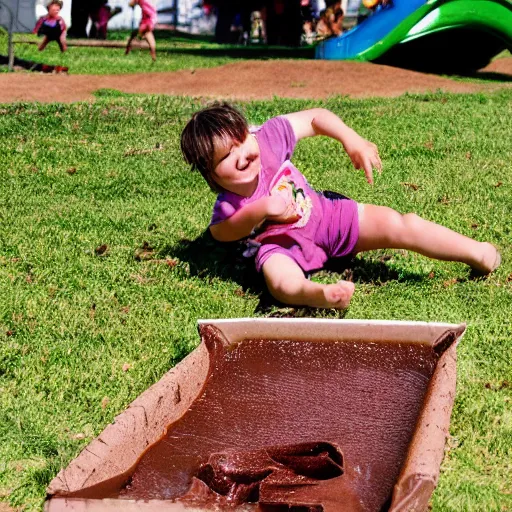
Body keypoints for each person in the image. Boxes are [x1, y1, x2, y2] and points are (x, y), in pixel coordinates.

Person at [180, 103, 501, 310]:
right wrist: (261, 208)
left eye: (241, 139)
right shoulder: (229, 203)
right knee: (279, 281)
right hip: (280, 246)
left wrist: (352, 139)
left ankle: (476, 251)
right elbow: (222, 232)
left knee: (401, 223)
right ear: (211, 174)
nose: (242, 154)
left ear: (250, 131)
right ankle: (318, 295)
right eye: (225, 156)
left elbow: (317, 117)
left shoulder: (269, 138)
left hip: (327, 217)